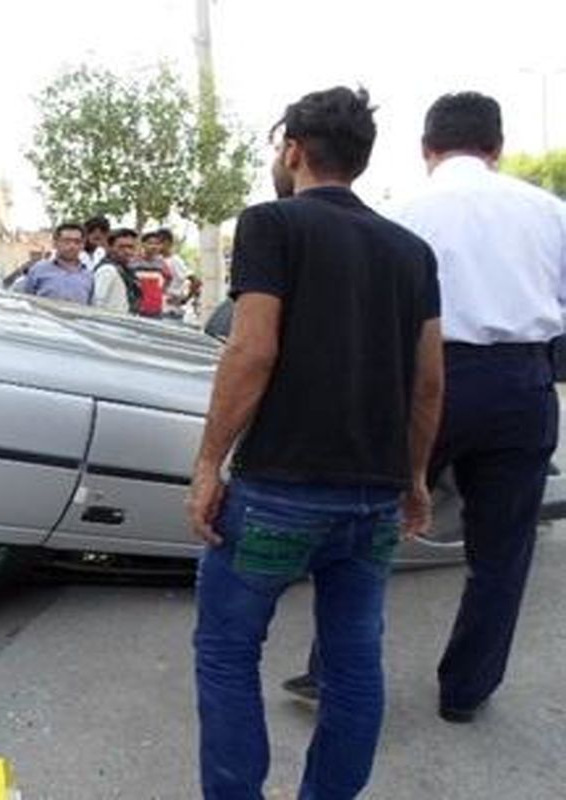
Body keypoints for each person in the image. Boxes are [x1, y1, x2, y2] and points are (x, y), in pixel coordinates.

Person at [187, 86, 443, 799]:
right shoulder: (411, 252)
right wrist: (415, 477)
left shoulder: (271, 225)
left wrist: (209, 464)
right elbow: (427, 384)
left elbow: (251, 351)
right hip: (371, 505)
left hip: (278, 494)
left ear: (293, 149)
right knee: (355, 663)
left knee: (228, 654)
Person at [282, 91, 566, 726]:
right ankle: (465, 691)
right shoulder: (551, 213)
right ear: (497, 148)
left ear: (426, 149)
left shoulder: (401, 214)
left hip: (420, 380)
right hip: (522, 383)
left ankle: (333, 673)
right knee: (502, 553)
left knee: (370, 529)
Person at [21, 223, 92, 304]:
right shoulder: (38, 270)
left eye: (77, 242)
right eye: (67, 241)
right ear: (55, 243)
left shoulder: (88, 276)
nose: (72, 246)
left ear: (82, 245)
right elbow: (26, 302)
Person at [92, 227, 141, 313]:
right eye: (121, 247)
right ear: (110, 247)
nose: (127, 251)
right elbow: (97, 303)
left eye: (131, 247)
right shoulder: (107, 270)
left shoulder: (128, 271)